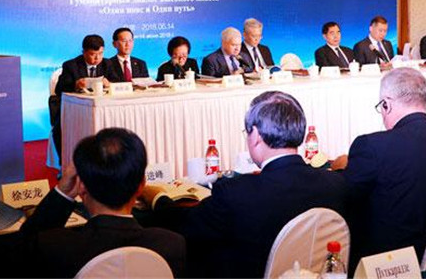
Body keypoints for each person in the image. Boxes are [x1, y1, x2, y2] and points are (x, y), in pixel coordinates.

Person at [147, 91, 347, 278]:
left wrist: (157, 197)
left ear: (256, 136)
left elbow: (184, 225)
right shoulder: (337, 185)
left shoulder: (235, 194)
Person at [332, 68, 426, 268]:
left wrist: (340, 171)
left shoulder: (372, 146)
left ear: (386, 104)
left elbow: (345, 199)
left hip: (385, 266)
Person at [18, 128, 186, 278]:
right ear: (141, 185)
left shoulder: (54, 248)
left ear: (81, 186)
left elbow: (21, 251)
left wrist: (62, 193)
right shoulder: (171, 246)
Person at [52, 35, 112, 160]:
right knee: (59, 129)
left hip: (102, 109)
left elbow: (119, 84)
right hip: (74, 110)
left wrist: (110, 84)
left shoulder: (107, 64)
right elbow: (59, 89)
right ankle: (65, 161)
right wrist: (75, 85)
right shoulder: (71, 65)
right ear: (84, 52)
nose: (97, 58)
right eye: (92, 54)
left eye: (100, 53)